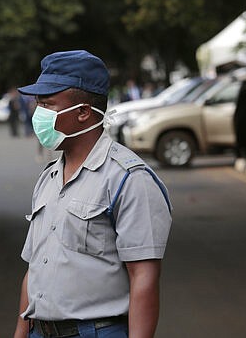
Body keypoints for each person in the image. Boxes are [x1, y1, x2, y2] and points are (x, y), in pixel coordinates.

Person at [13, 50, 172, 338]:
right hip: (41, 330)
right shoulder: (48, 178)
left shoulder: (128, 178)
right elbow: (34, 269)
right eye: (38, 104)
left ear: (84, 112)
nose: (39, 115)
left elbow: (144, 277)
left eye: (47, 105)